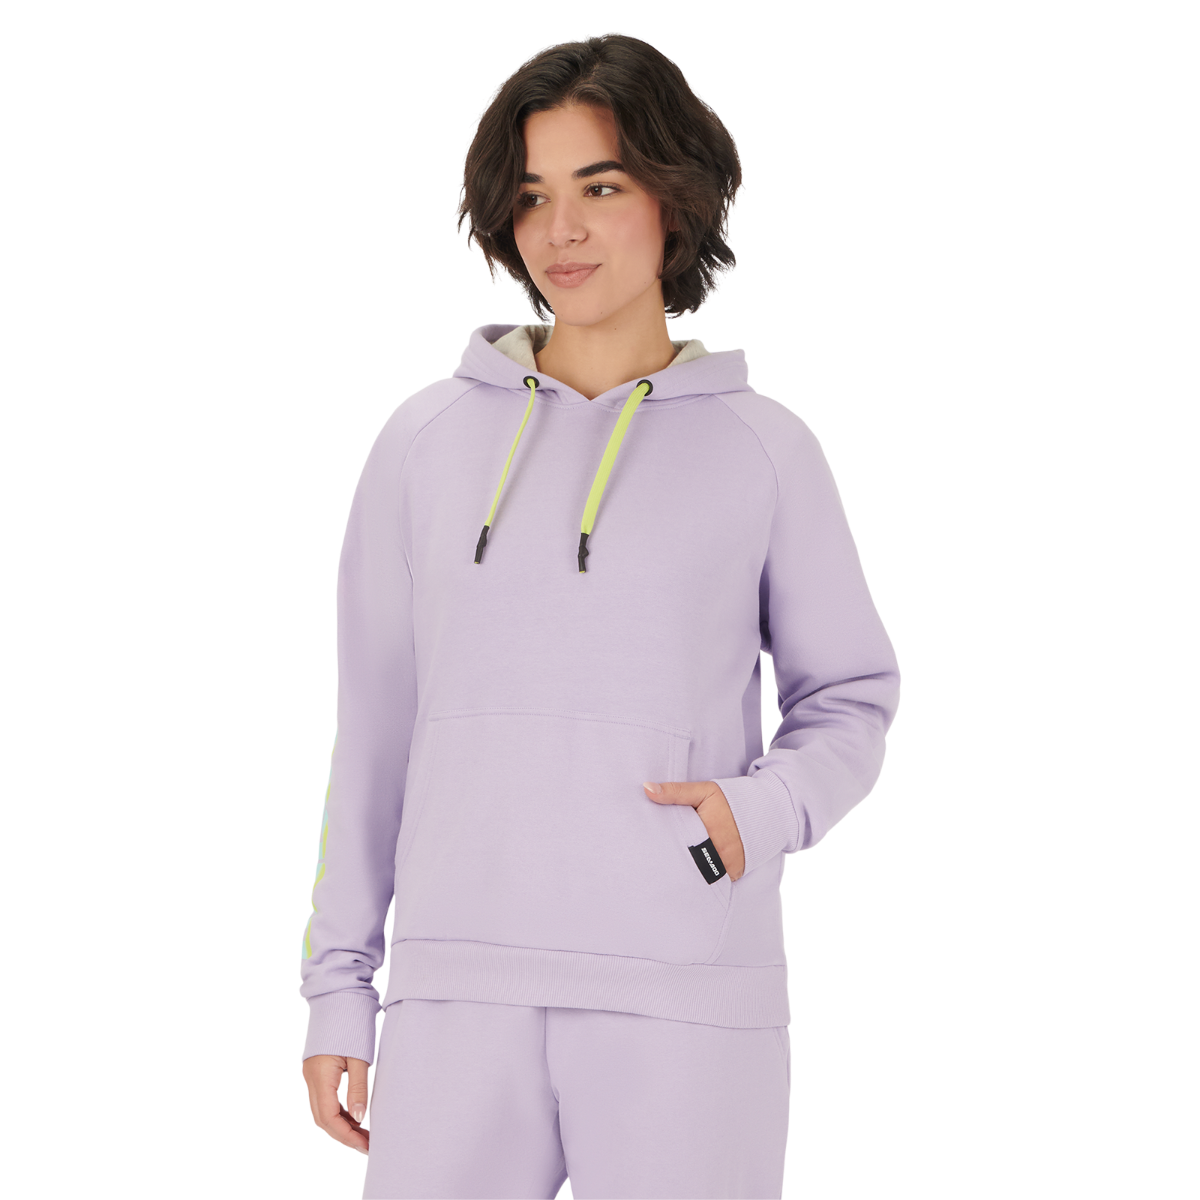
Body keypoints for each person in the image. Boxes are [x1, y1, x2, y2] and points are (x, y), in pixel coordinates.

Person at [299, 30, 901, 1200]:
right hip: (453, 995)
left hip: (686, 997)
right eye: (531, 196)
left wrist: (758, 811)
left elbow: (850, 697)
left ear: (677, 197)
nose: (560, 230)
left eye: (600, 187)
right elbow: (372, 735)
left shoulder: (765, 448)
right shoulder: (423, 441)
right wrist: (340, 989)